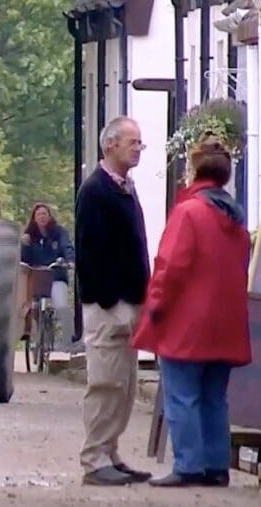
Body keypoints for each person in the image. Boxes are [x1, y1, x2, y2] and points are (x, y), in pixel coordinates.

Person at [132, 135, 252, 488]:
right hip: (226, 321)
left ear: (194, 169)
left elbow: (170, 266)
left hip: (188, 321)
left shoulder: (189, 212)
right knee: (215, 396)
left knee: (182, 395)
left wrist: (154, 308)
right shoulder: (236, 218)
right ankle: (216, 465)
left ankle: (188, 465)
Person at [73, 115, 151, 486]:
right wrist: (108, 302)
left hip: (130, 301)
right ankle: (94, 457)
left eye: (140, 143)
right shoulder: (95, 191)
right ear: (110, 145)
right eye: (132, 142)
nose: (138, 148)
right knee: (105, 381)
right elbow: (90, 253)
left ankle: (111, 450)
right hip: (109, 305)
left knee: (124, 383)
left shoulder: (124, 188)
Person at [19, 203, 81, 343]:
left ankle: (69, 343)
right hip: (36, 277)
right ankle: (37, 339)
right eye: (39, 214)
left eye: (44, 214)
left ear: (49, 216)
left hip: (56, 275)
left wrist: (70, 260)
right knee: (32, 307)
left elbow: (67, 247)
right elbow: (23, 258)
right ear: (34, 218)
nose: (42, 217)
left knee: (61, 306)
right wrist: (24, 246)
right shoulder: (29, 236)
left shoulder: (59, 232)